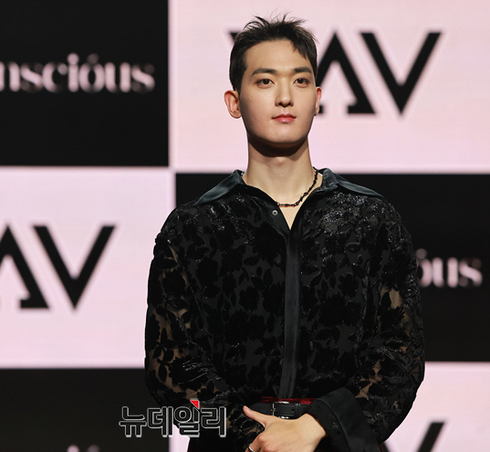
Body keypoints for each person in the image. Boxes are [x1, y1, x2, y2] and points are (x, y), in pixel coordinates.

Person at [145, 15, 424, 452]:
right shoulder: (194, 227)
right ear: (234, 102)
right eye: (265, 81)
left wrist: (315, 427)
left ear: (317, 99)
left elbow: (399, 357)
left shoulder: (372, 220)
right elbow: (171, 367)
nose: (284, 97)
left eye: (299, 81)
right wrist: (255, 437)